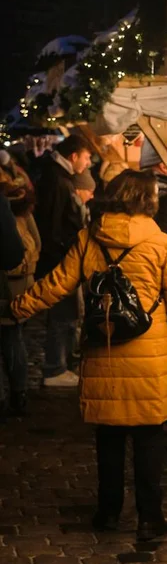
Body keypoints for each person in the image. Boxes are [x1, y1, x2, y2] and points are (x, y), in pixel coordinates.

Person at [11, 169, 167, 539]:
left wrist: (19, 306)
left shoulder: (89, 239)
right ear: (147, 201)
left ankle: (109, 512)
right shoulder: (162, 244)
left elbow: (56, 284)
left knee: (109, 438)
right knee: (149, 439)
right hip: (150, 356)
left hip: (104, 350)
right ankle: (150, 517)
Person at [33, 134, 93, 388]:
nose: (88, 164)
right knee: (62, 314)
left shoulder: (57, 177)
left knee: (65, 314)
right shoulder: (58, 181)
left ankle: (59, 365)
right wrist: (64, 253)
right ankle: (55, 368)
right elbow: (52, 224)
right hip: (58, 259)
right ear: (73, 156)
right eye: (87, 157)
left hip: (58, 256)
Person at [0, 153, 41, 414]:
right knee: (12, 339)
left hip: (10, 285)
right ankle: (18, 394)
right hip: (10, 286)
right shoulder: (14, 208)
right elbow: (25, 249)